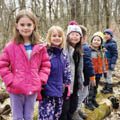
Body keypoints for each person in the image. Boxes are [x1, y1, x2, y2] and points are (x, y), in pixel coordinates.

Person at [0, 9, 51, 120]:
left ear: (34, 26)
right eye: (22, 24)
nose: (26, 27)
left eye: (29, 24)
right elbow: (2, 65)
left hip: (32, 88)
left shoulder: (39, 47)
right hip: (16, 89)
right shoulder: (10, 46)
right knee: (18, 117)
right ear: (17, 26)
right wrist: (11, 81)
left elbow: (46, 64)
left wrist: (41, 79)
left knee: (28, 116)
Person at [38, 26, 71, 120]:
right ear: (49, 37)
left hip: (59, 91)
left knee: (57, 115)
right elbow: (38, 69)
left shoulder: (63, 55)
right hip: (46, 92)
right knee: (46, 116)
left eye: (59, 36)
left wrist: (67, 85)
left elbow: (67, 71)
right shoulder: (44, 52)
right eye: (54, 36)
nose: (57, 38)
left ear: (63, 38)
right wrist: (39, 87)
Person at [59, 21, 84, 120]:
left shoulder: (79, 50)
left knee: (73, 107)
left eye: (77, 35)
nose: (75, 37)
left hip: (75, 84)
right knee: (64, 109)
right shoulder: (64, 49)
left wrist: (80, 81)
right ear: (68, 36)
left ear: (80, 37)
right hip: (66, 86)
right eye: (72, 34)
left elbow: (79, 68)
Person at [73, 25, 95, 120]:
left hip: (82, 76)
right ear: (84, 37)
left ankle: (77, 109)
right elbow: (88, 63)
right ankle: (75, 111)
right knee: (82, 94)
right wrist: (92, 76)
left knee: (83, 94)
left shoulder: (83, 47)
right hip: (83, 77)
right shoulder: (85, 48)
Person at [85, 32, 108, 110]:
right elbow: (87, 63)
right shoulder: (89, 50)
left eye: (98, 40)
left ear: (101, 42)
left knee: (95, 87)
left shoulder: (102, 51)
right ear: (91, 41)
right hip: (92, 73)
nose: (96, 41)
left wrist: (105, 72)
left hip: (99, 73)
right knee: (90, 88)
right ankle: (88, 102)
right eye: (94, 40)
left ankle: (93, 99)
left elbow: (104, 63)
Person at [101, 29, 118, 94]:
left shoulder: (112, 44)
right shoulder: (105, 43)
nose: (106, 35)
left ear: (111, 36)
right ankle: (106, 86)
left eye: (108, 34)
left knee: (109, 76)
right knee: (105, 75)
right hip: (104, 62)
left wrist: (113, 63)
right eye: (105, 34)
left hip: (109, 63)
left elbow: (115, 55)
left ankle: (109, 89)